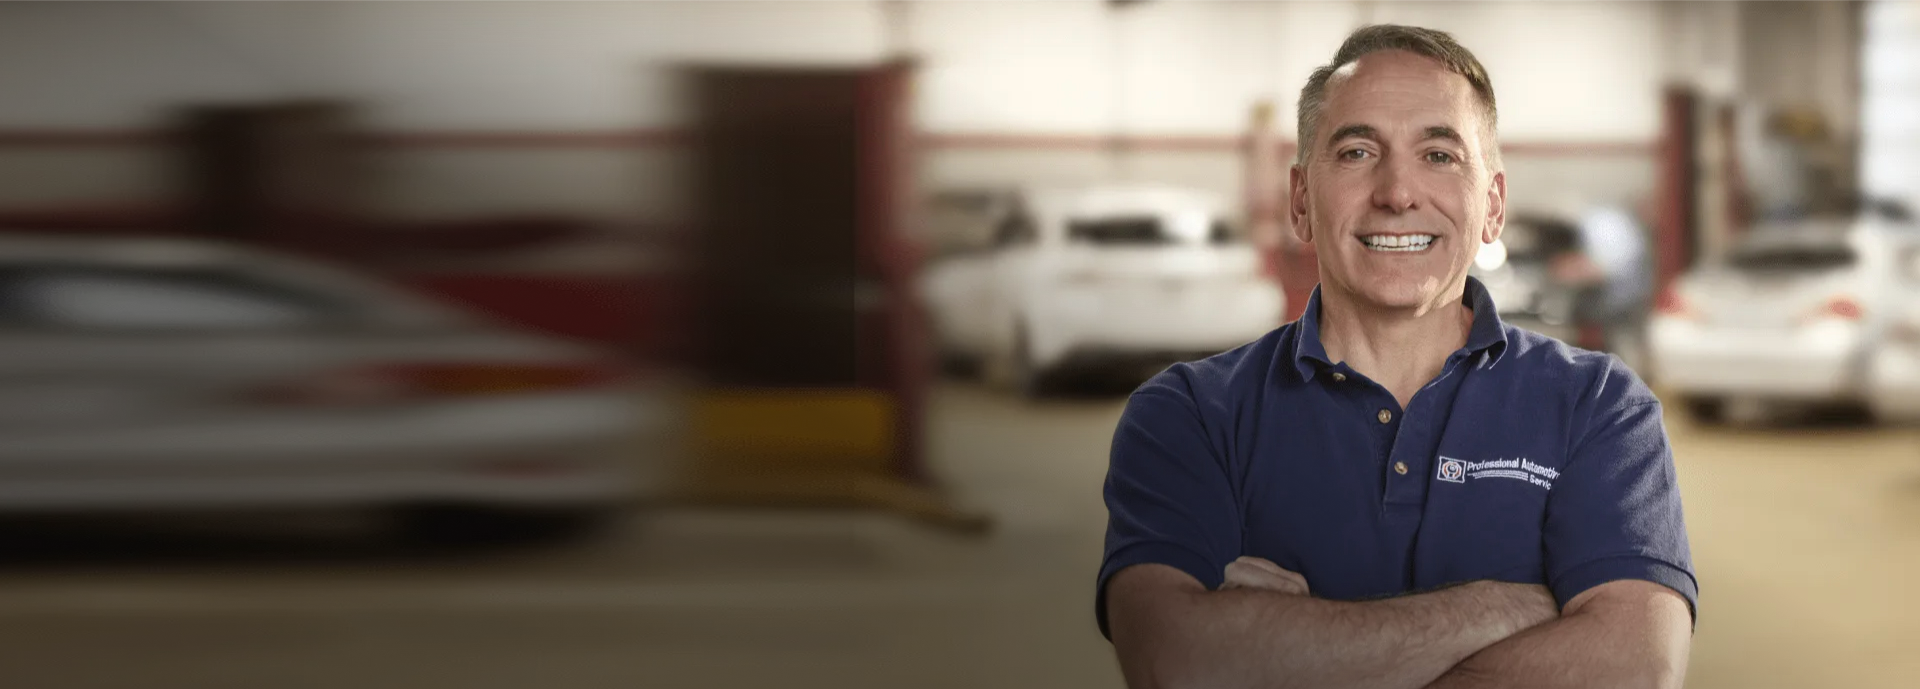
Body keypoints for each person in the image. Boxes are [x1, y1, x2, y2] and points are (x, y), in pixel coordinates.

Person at [1097, 24, 1696, 689]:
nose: (1397, 192)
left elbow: (1637, 668)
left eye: (1439, 155)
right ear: (1301, 201)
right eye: (1357, 151)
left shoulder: (1601, 407)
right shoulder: (1189, 416)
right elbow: (1177, 664)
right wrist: (1508, 607)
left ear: (1492, 205)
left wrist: (1282, 649)